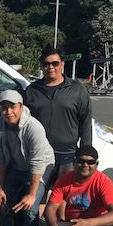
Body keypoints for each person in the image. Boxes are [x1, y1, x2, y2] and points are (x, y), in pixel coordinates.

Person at [0, 90, 55, 226]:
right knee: (2, 201)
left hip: (39, 169)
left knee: (31, 210)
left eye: (13, 107)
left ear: (21, 107)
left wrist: (32, 194)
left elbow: (37, 163)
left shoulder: (34, 127)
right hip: (17, 167)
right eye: (4, 108)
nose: (9, 112)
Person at [24, 45, 92, 184]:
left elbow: (85, 122)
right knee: (37, 198)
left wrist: (86, 151)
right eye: (46, 64)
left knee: (64, 200)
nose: (51, 67)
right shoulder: (32, 90)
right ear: (42, 66)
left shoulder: (76, 89)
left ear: (62, 64)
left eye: (55, 63)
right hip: (39, 154)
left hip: (67, 155)